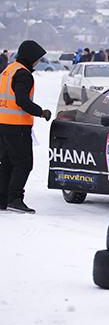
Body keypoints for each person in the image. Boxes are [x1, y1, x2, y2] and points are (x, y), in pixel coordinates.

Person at [0, 40, 52, 214]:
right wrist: (41, 112)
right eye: (37, 58)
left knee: (7, 163)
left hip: (3, 124)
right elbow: (21, 100)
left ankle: (3, 199)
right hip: (17, 126)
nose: (38, 62)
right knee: (23, 163)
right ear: (30, 57)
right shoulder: (23, 74)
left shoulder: (8, 70)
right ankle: (15, 199)